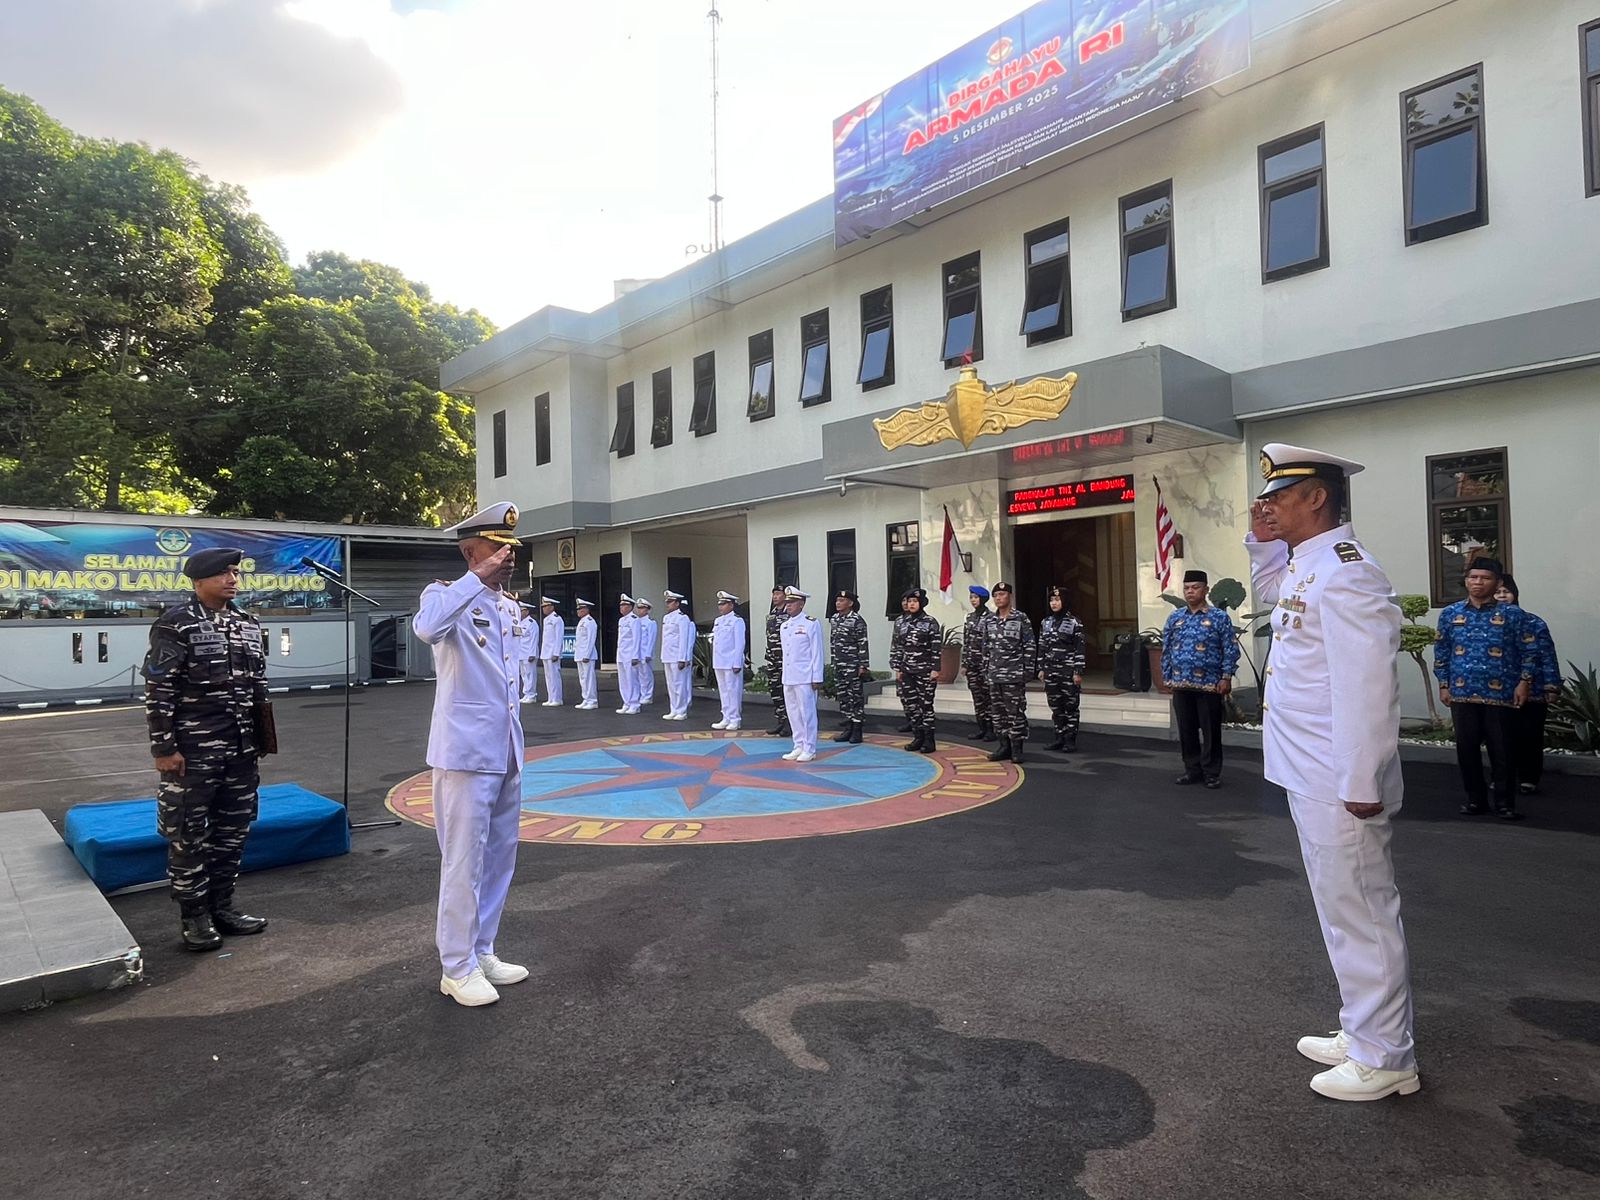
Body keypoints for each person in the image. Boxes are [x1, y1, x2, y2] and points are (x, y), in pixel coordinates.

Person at [1246, 442, 1418, 1101]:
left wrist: (1363, 781)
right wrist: (1262, 542)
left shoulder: (1348, 573)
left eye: (1278, 497)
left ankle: (1386, 1058)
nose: (1266, 506)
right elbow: (1273, 593)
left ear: (1316, 498)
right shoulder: (1308, 564)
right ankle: (1364, 1030)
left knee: (1362, 911)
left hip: (1339, 779)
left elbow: (1368, 688)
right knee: (1341, 910)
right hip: (1311, 769)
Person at [414, 502, 530, 1007]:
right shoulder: (445, 596)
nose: (509, 556)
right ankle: (456, 966)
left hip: (505, 747)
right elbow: (427, 628)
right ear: (470, 552)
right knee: (463, 861)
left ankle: (482, 950)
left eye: (512, 549)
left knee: (500, 856)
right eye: (497, 548)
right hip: (464, 752)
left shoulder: (508, 607)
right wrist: (475, 580)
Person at [142, 546, 272, 951]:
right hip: (192, 752)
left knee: (232, 832)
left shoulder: (247, 623)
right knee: (188, 834)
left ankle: (223, 907)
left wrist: (262, 737)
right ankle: (194, 917)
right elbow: (159, 690)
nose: (232, 579)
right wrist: (164, 748)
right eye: (223, 573)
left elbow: (258, 686)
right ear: (198, 581)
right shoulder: (176, 624)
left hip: (241, 750)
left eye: (235, 572)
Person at [1435, 557, 1534, 820]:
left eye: (1485, 578)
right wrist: (1443, 684)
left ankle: (1505, 804)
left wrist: (1524, 682)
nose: (1477, 582)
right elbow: (1442, 651)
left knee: (1503, 751)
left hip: (1501, 694)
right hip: (1462, 692)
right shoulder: (1450, 614)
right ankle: (1475, 800)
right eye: (1473, 577)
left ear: (1498, 582)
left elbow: (1529, 650)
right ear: (1466, 580)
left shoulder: (1513, 615)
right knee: (1466, 751)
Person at [1160, 570, 1239, 787]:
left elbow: (1230, 648)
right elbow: (1166, 649)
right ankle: (1192, 770)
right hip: (1181, 683)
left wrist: (1226, 676)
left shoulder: (1219, 617)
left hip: (1210, 685)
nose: (1190, 592)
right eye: (1186, 588)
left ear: (1206, 590)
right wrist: (1166, 677)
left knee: (1211, 731)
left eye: (1195, 587)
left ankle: (1211, 772)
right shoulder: (1175, 618)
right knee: (1186, 730)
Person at [1495, 574, 1561, 794]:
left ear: (1515, 594)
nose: (1502, 596)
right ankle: (1503, 778)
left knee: (1530, 735)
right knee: (1501, 737)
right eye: (1497, 592)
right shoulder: (1485, 624)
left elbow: (1547, 655)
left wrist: (1551, 685)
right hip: (1499, 691)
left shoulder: (1533, 622)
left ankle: (1528, 777)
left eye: (1506, 592)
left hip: (1534, 689)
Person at [983, 582, 1035, 763]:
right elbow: (985, 647)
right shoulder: (989, 620)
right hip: (994, 674)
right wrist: (986, 670)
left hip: (1014, 674)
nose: (998, 598)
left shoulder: (1020, 618)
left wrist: (1028, 670)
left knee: (1016, 713)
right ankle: (1003, 746)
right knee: (998, 713)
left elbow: (1029, 645)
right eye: (996, 595)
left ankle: (1017, 748)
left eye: (1002, 594)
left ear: (1010, 596)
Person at [891, 587, 941, 753]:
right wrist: (898, 667)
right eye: (909, 601)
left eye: (915, 601)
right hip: (907, 671)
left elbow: (936, 647)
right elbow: (898, 646)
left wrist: (935, 669)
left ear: (922, 603)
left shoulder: (930, 622)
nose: (911, 604)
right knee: (911, 706)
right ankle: (918, 737)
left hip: (925, 671)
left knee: (925, 706)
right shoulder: (903, 622)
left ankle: (929, 740)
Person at [778, 586, 826, 762]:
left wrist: (817, 677)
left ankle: (809, 748)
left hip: (805, 676)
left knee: (807, 713)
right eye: (787, 602)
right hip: (789, 676)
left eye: (792, 602)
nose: (788, 605)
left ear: (801, 604)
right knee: (793, 713)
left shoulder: (810, 623)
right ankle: (798, 745)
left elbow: (817, 652)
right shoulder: (784, 626)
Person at [1038, 585, 1087, 754]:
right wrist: (1041, 668)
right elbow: (1042, 646)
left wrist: (1078, 671)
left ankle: (1070, 739)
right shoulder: (1045, 622)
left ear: (1064, 601)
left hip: (1068, 672)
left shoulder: (1074, 622)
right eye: (1052, 600)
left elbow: (1080, 648)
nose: (1054, 603)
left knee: (1071, 707)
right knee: (1056, 707)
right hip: (1051, 671)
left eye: (1057, 600)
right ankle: (1059, 737)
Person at [829, 590, 871, 744]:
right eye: (837, 600)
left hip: (853, 665)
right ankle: (847, 728)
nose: (838, 603)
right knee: (844, 697)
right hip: (839, 664)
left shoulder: (857, 620)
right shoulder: (835, 619)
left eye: (842, 600)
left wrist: (863, 665)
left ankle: (857, 730)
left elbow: (863, 644)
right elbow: (833, 641)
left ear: (850, 603)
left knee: (855, 698)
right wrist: (833, 661)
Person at [963, 585, 995, 740]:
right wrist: (964, 663)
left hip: (986, 665)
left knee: (989, 697)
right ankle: (981, 727)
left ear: (982, 599)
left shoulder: (991, 618)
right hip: (972, 665)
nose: (973, 600)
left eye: (975, 597)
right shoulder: (969, 617)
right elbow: (966, 641)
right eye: (971, 597)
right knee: (977, 698)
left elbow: (993, 642)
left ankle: (991, 729)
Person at [710, 590, 746, 730]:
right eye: (720, 604)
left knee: (733, 691)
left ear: (731, 605)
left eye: (724, 604)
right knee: (723, 691)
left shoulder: (737, 621)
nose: (720, 607)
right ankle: (726, 717)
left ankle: (735, 718)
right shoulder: (718, 621)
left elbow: (739, 643)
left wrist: (737, 662)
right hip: (719, 660)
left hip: (731, 661)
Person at [660, 590, 695, 721]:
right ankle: (673, 709)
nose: (667, 604)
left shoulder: (682, 618)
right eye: (667, 602)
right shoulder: (666, 618)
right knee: (671, 684)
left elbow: (684, 639)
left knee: (679, 684)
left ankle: (681, 710)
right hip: (667, 655)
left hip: (676, 656)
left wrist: (682, 658)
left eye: (670, 602)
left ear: (677, 603)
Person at [764, 586, 790, 737]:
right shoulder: (772, 614)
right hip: (772, 659)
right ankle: (780, 720)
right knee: (775, 691)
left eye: (778, 594)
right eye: (774, 594)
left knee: (787, 692)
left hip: (785, 659)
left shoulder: (789, 613)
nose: (775, 596)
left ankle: (789, 723)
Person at [614, 594, 640, 715]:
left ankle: (634, 704)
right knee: (623, 680)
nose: (621, 607)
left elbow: (636, 639)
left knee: (632, 680)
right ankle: (626, 702)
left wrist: (635, 656)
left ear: (630, 607)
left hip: (630, 654)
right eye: (620, 605)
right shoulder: (621, 620)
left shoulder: (634, 620)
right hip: (621, 654)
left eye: (624, 605)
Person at [572, 598, 600, 709]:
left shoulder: (590, 621)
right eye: (578, 609)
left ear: (586, 609)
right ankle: (586, 698)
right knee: (583, 678)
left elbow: (591, 640)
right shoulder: (582, 621)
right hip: (580, 654)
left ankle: (592, 700)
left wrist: (587, 655)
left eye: (580, 609)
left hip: (587, 655)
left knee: (589, 678)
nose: (578, 611)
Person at [538, 596, 564, 707]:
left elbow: (559, 637)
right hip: (546, 652)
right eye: (543, 607)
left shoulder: (557, 619)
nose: (543, 609)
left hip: (553, 652)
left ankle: (557, 698)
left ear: (552, 607)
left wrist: (556, 653)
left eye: (546, 606)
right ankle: (551, 697)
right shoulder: (546, 619)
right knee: (548, 677)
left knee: (554, 677)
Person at [634, 596, 658, 708]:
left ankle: (648, 696)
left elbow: (651, 639)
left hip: (645, 653)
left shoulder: (650, 623)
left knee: (646, 675)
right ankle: (641, 694)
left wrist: (649, 653)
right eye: (638, 608)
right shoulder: (636, 622)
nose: (639, 610)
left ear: (648, 610)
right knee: (639, 675)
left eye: (642, 608)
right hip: (637, 653)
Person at [518, 602, 539, 705]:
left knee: (530, 674)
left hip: (529, 653)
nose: (519, 613)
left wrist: (532, 653)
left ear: (526, 611)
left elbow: (534, 639)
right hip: (521, 653)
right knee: (524, 674)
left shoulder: (531, 623)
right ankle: (526, 694)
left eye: (521, 611)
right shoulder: (520, 623)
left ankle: (532, 695)